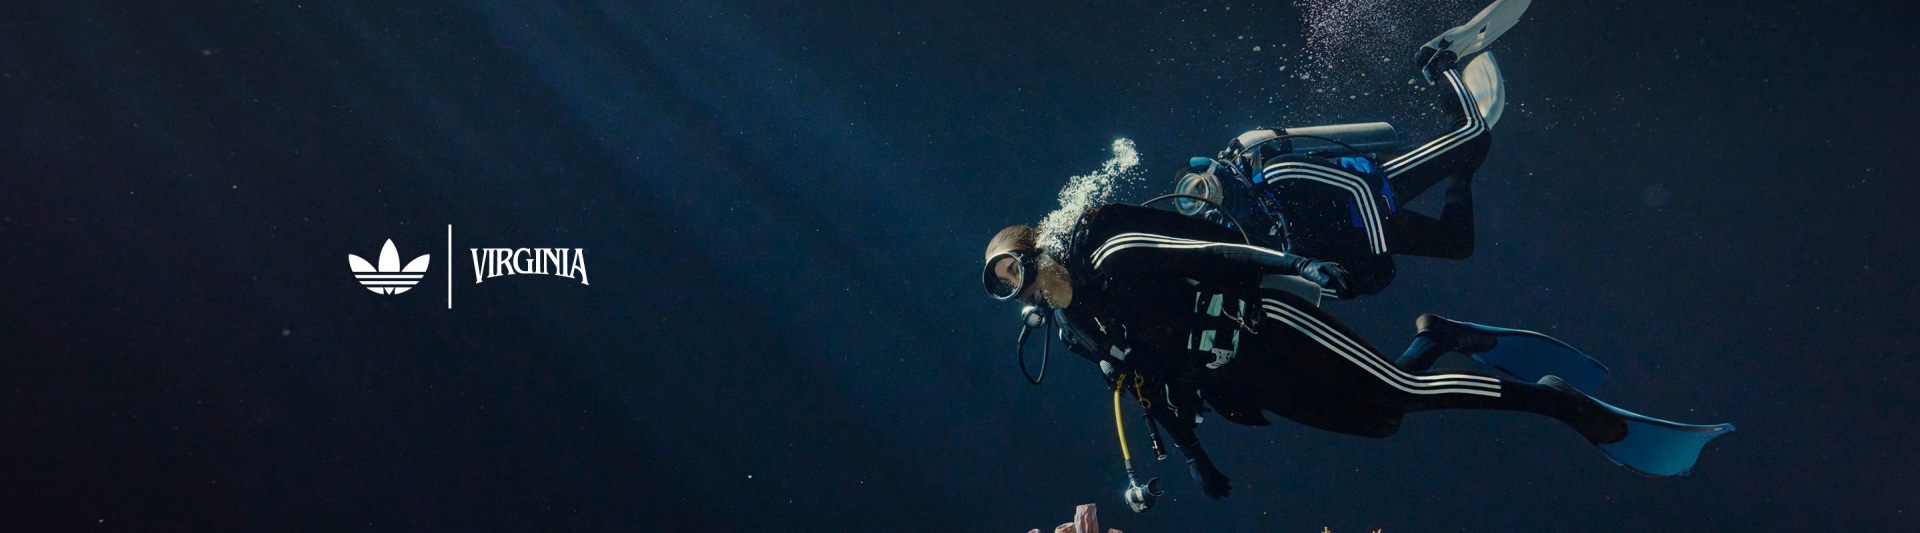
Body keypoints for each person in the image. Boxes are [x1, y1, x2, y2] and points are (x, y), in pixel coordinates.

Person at [980, 203, 1733, 500]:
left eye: (1013, 268)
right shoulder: (1085, 332)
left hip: (1270, 325)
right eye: (1004, 285)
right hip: (1250, 378)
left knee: (1402, 393)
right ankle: (1438, 336)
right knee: (1381, 417)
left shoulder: (1112, 253)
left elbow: (1210, 248)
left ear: (1037, 250)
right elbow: (1147, 392)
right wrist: (1199, 463)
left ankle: (1557, 403)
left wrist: (1296, 265)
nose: (1018, 286)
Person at [1170, 0, 1526, 300]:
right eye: (1192, 201)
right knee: (1458, 244)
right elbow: (1301, 278)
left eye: (1198, 186)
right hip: (1366, 231)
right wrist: (1351, 278)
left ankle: (1438, 59)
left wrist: (1378, 253)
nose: (1203, 198)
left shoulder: (1273, 173)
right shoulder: (1248, 231)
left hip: (1382, 184)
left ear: (1211, 170)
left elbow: (1358, 186)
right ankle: (1461, 164)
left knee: (1474, 135)